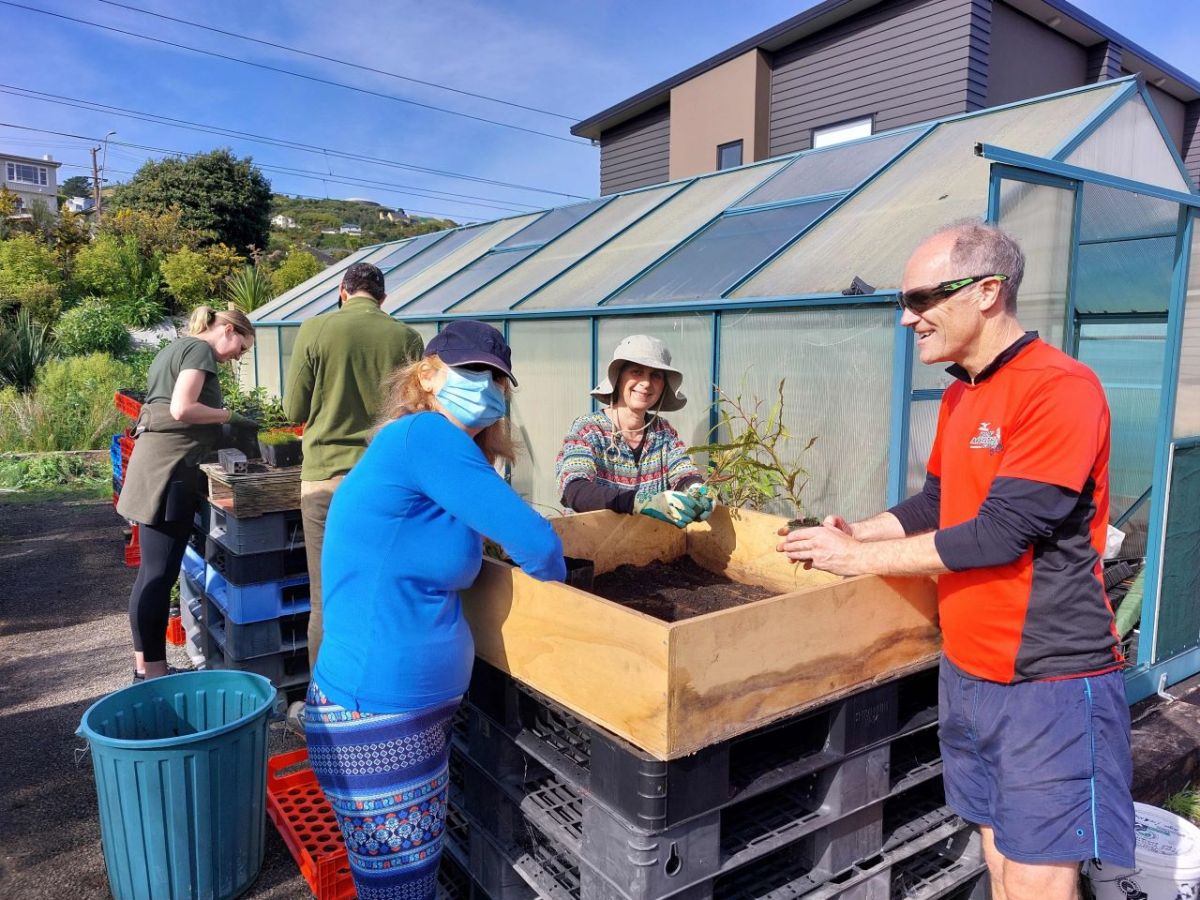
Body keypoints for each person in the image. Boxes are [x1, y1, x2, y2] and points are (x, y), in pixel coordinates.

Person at [777, 222, 1133, 900]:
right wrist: (859, 532)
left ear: (987, 291)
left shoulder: (1059, 388)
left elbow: (1001, 535)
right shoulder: (960, 393)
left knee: (1038, 874)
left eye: (921, 299)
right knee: (998, 853)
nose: (907, 318)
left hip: (1047, 680)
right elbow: (939, 504)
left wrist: (856, 560)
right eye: (903, 302)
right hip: (968, 670)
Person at [304, 320, 565, 900]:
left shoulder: (434, 450)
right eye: (472, 371)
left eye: (497, 378)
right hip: (378, 711)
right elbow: (540, 546)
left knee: (400, 879)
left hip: (398, 711)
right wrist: (575, 591)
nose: (487, 386)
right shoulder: (426, 435)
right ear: (426, 375)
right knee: (399, 889)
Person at [283, 261, 425, 673]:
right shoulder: (407, 337)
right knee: (384, 591)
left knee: (326, 596)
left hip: (325, 479)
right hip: (385, 483)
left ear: (342, 293)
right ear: (383, 299)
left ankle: (325, 696)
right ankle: (380, 689)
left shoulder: (316, 328)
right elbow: (415, 411)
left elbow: (294, 409)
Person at [117, 304, 257, 681]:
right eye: (241, 347)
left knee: (151, 574)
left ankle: (145, 668)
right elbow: (182, 409)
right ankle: (155, 674)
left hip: (155, 464)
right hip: (170, 469)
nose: (237, 357)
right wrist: (227, 416)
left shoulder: (175, 347)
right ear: (228, 330)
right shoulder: (199, 350)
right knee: (158, 575)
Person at [555, 334, 713, 527]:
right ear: (618, 378)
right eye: (637, 372)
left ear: (663, 386)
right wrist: (639, 502)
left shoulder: (664, 433)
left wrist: (696, 489)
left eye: (655, 375)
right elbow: (575, 490)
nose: (646, 383)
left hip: (645, 540)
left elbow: (683, 473)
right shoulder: (589, 429)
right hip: (590, 537)